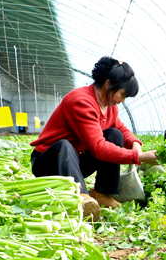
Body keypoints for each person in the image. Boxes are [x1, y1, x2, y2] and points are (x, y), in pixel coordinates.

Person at [30, 56, 157, 212]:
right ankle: (82, 197)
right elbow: (98, 148)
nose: (122, 100)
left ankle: (102, 194)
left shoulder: (109, 106)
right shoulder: (81, 101)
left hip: (74, 162)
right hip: (49, 163)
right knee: (64, 145)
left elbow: (121, 129)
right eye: (122, 94)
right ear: (108, 84)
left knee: (114, 134)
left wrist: (135, 143)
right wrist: (138, 157)